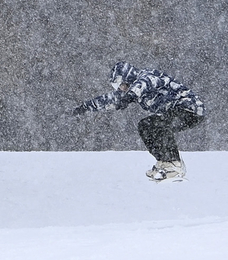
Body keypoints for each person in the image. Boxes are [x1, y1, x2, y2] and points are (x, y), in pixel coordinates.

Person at [71, 61, 205, 182]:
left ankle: (174, 164)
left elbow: (146, 82)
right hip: (174, 112)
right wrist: (85, 107)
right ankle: (164, 162)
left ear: (128, 76)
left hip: (189, 109)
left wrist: (131, 95)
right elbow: (110, 99)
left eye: (121, 84)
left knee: (158, 124)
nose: (120, 88)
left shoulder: (147, 76)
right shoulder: (132, 90)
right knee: (145, 125)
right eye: (117, 86)